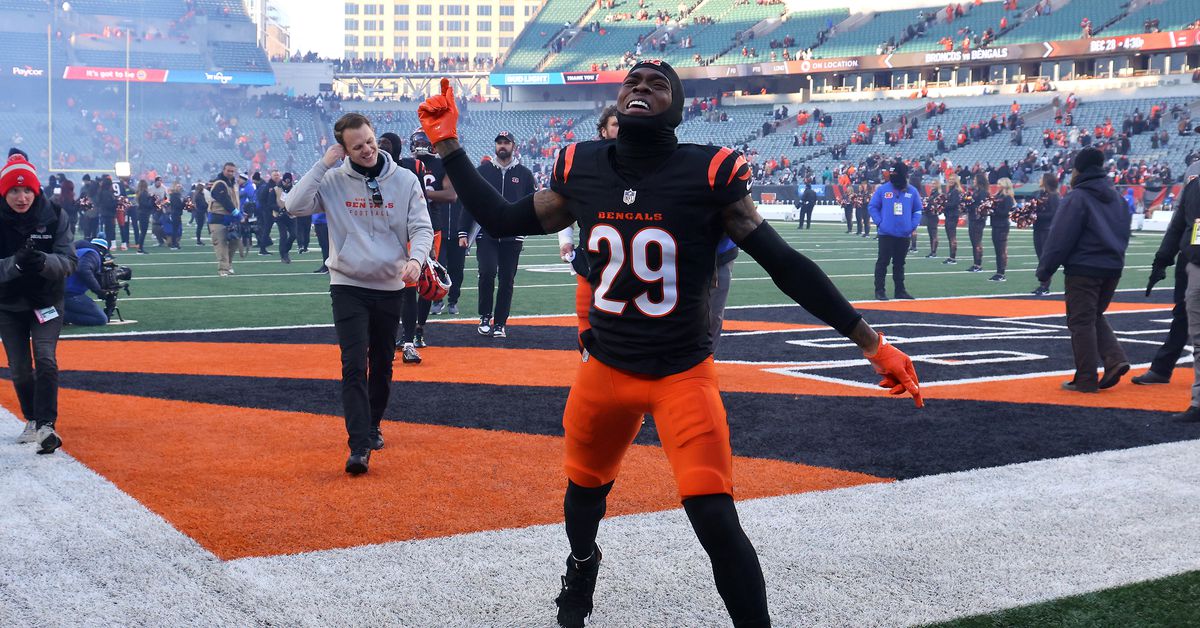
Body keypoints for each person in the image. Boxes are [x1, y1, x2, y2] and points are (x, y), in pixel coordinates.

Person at [417, 65, 921, 628]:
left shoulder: (708, 174)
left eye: (658, 85)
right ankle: (582, 564)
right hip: (605, 370)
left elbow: (785, 264)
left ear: (677, 109)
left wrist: (872, 344)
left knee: (715, 518)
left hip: (683, 374)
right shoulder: (579, 167)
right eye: (632, 81)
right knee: (583, 498)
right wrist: (449, 145)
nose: (641, 87)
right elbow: (500, 218)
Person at [285, 112, 433, 475]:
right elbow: (294, 205)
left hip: (390, 284)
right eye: (357, 146)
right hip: (347, 283)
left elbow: (422, 227)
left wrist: (416, 260)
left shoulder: (405, 179)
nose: (367, 150)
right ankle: (359, 445)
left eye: (369, 141)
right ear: (344, 149)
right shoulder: (334, 179)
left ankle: (373, 424)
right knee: (353, 364)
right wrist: (323, 164)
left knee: (382, 364)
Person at [1035, 147, 1131, 393]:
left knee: (1080, 321)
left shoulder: (1077, 197)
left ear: (1079, 169)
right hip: (1112, 267)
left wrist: (1045, 269)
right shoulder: (1117, 197)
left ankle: (1086, 378)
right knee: (1092, 316)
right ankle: (1114, 358)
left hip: (1084, 268)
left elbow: (1061, 237)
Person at [0, 154, 77, 454]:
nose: (22, 197)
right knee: (19, 369)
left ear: (36, 190)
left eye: (27, 190)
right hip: (8, 305)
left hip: (46, 301)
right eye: (14, 191)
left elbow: (70, 261)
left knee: (45, 359)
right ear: (4, 192)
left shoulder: (55, 215)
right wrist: (15, 265)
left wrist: (43, 261)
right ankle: (32, 418)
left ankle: (47, 425)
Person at [459, 130, 534, 339]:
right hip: (487, 233)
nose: (503, 146)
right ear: (495, 146)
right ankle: (485, 316)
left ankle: (500, 322)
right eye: (499, 142)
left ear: (514, 146)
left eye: (506, 142)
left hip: (513, 236)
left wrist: (526, 228)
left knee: (507, 280)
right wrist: (463, 231)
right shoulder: (481, 172)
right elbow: (470, 202)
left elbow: (533, 204)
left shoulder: (525, 174)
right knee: (487, 273)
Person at [1143, 161, 1200, 413]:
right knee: (1185, 313)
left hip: (1194, 256)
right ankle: (1162, 368)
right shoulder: (1194, 176)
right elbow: (1180, 220)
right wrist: (1162, 259)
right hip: (1192, 258)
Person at [396, 129, 457, 359]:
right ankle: (408, 332)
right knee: (405, 283)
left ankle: (418, 330)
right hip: (404, 227)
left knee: (424, 281)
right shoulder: (403, 164)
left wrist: (421, 194)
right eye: (418, 141)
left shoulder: (440, 164)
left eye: (425, 140)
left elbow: (451, 195)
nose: (421, 144)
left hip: (431, 227)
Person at [869, 161, 922, 300]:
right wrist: (880, 222)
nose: (892, 177)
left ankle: (900, 290)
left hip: (904, 234)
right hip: (886, 233)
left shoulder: (912, 191)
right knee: (883, 262)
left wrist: (912, 225)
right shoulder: (883, 190)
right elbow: (872, 207)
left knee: (900, 264)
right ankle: (879, 290)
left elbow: (917, 210)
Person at [64, 237, 110, 326]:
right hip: (69, 293)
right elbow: (83, 269)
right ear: (103, 251)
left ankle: (54, 311)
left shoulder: (77, 251)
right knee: (100, 319)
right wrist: (98, 290)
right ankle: (57, 316)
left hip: (55, 291)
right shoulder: (92, 253)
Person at [208, 163, 243, 277]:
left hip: (232, 219)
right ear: (223, 170)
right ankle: (223, 269)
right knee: (221, 244)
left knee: (235, 242)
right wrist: (235, 212)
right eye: (228, 171)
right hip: (218, 218)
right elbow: (224, 200)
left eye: (233, 171)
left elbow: (235, 200)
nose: (231, 173)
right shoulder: (219, 184)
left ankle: (228, 264)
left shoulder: (234, 184)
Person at [1031, 172, 1061, 295]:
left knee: (1045, 258)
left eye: (1041, 178)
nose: (1039, 180)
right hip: (1038, 228)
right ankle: (1042, 284)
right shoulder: (1040, 194)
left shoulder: (1054, 196)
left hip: (1047, 230)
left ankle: (1045, 285)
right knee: (1040, 257)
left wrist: (1036, 215)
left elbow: (1054, 214)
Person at [988, 178, 1015, 281]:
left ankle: (1001, 273)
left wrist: (993, 209)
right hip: (995, 225)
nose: (998, 185)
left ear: (1005, 185)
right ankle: (998, 272)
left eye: (1000, 184)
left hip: (1002, 226)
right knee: (997, 251)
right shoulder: (997, 196)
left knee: (1001, 250)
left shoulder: (1007, 197)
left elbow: (1005, 213)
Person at [966, 172, 989, 272]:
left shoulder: (983, 192)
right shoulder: (976, 191)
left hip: (978, 220)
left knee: (977, 242)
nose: (974, 181)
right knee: (974, 242)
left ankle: (978, 265)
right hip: (972, 218)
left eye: (975, 179)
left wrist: (972, 206)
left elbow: (982, 207)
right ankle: (975, 263)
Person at [941, 172, 963, 264]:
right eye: (949, 179)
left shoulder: (955, 191)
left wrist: (943, 204)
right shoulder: (950, 190)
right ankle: (951, 257)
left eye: (952, 180)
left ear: (956, 181)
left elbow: (954, 203)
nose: (950, 181)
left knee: (952, 236)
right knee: (950, 237)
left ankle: (953, 257)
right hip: (949, 215)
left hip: (952, 216)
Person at [923, 180, 940, 258]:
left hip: (933, 216)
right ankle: (932, 251)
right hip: (929, 216)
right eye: (932, 184)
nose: (932, 185)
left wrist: (929, 206)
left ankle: (934, 252)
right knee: (931, 234)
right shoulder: (932, 194)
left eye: (934, 184)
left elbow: (937, 205)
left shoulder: (937, 194)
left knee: (933, 234)